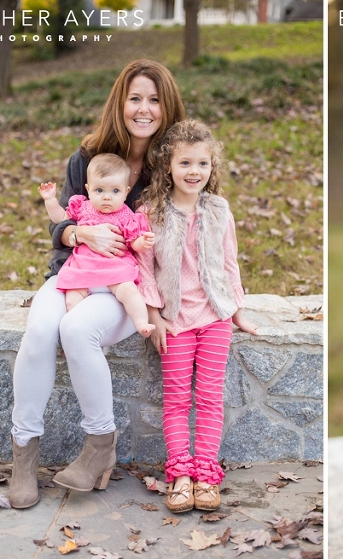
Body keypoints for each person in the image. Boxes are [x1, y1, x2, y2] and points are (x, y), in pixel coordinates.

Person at [9, 60, 186, 509]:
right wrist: (77, 232)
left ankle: (99, 443)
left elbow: (188, 241)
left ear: (167, 108)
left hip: (130, 287)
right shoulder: (87, 159)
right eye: (135, 98)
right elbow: (61, 226)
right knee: (39, 333)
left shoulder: (176, 164)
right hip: (75, 275)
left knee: (76, 330)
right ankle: (24, 453)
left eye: (154, 100)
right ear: (120, 103)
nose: (144, 109)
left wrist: (160, 310)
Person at [136, 119, 257, 513]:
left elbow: (229, 263)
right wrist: (154, 315)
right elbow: (142, 269)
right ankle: (180, 475)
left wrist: (236, 310)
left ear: (212, 167)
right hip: (174, 319)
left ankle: (206, 473)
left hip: (214, 317)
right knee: (175, 400)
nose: (194, 172)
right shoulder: (151, 212)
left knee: (208, 398)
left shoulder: (219, 210)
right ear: (168, 166)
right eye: (185, 163)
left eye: (202, 164)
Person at [38, 154, 156, 337]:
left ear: (126, 191)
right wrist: (50, 201)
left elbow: (133, 241)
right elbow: (60, 219)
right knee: (72, 299)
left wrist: (143, 242)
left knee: (129, 291)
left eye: (115, 191)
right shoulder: (83, 208)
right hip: (83, 271)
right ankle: (71, 335)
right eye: (99, 190)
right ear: (88, 189)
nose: (107, 197)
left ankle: (141, 322)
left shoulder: (126, 216)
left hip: (115, 274)